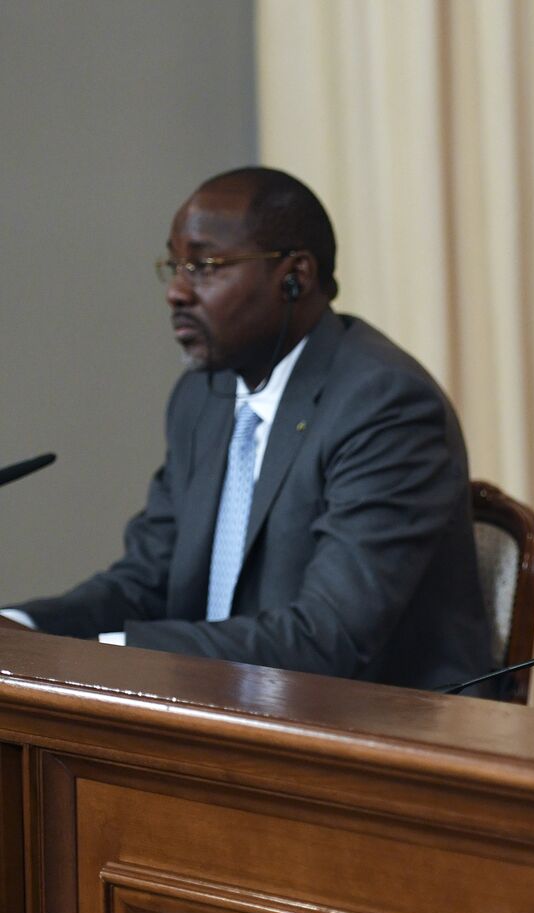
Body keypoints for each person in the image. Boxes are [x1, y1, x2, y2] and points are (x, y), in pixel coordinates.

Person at [3, 167, 495, 692]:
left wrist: (101, 656)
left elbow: (327, 640)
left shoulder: (383, 405)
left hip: (376, 736)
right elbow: (147, 580)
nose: (175, 292)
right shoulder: (203, 398)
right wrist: (26, 630)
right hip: (224, 710)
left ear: (295, 276)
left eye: (205, 266)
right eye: (174, 266)